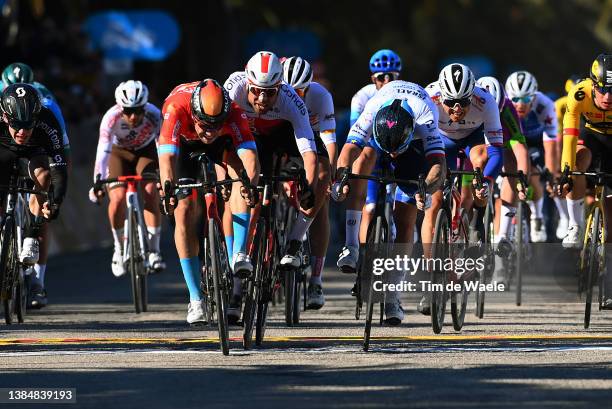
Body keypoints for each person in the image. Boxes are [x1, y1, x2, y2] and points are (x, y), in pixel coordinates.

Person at [333, 80, 446, 324]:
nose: (393, 155)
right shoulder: (372, 110)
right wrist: (341, 177)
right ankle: (351, 246)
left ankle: (393, 295)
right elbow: (347, 150)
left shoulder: (425, 117)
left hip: (413, 148)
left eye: (396, 150)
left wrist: (425, 188)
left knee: (405, 220)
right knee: (361, 160)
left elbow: (438, 166)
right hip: (378, 139)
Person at [224, 51, 318, 323]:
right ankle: (237, 284)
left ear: (281, 87)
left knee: (318, 174)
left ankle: (291, 240)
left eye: (271, 93)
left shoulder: (290, 100)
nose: (263, 99)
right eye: (256, 92)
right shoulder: (233, 89)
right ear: (248, 84)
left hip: (280, 135)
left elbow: (309, 152)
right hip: (245, 137)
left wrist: (310, 186)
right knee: (239, 193)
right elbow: (222, 142)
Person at [158, 78, 259, 324]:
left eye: (216, 124)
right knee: (183, 211)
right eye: (205, 124)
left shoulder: (233, 112)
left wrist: (250, 185)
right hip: (183, 145)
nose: (210, 131)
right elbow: (167, 159)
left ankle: (238, 254)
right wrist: (167, 191)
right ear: (194, 112)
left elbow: (250, 156)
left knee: (241, 177)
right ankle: (195, 299)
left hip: (222, 147)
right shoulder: (176, 108)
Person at [1, 62, 70, 308]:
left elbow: (60, 164)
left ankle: (31, 237)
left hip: (37, 153)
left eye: (28, 125)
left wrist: (56, 200)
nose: (22, 130)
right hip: (4, 151)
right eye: (16, 125)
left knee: (43, 175)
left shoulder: (47, 112)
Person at [88, 80, 165, 277]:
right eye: (128, 111)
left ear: (145, 106)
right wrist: (97, 180)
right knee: (118, 198)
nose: (133, 116)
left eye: (138, 110)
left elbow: (162, 149)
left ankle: (154, 251)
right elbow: (103, 151)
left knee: (150, 192)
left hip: (145, 152)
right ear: (120, 108)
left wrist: (163, 178)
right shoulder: (111, 118)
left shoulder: (155, 115)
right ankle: (119, 247)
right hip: (118, 153)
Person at [337, 49, 403, 272]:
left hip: (397, 149)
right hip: (371, 147)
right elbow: (359, 136)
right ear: (372, 79)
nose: (385, 81)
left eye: (390, 76)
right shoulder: (362, 97)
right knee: (370, 206)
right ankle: (359, 255)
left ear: (398, 77)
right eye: (380, 77)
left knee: (398, 208)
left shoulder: (404, 94)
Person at [282, 56, 337, 309]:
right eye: (291, 90)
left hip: (311, 138)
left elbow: (329, 141)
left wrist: (331, 175)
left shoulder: (320, 96)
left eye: (301, 91)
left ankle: (315, 279)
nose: (296, 95)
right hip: (282, 135)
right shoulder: (275, 94)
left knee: (321, 194)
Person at [558, 53, 612, 309]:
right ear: (593, 84)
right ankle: (576, 225)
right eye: (602, 90)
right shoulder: (579, 93)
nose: (607, 97)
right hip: (591, 139)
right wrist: (566, 171)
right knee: (579, 162)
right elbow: (569, 135)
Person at [476, 76, 530, 284]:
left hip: (503, 143)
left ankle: (502, 237)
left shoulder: (508, 108)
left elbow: (520, 149)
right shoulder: (472, 104)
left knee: (512, 167)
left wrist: (521, 180)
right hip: (478, 142)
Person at [505, 70, 557, 243]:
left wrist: (550, 173)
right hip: (512, 142)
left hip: (536, 143)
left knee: (533, 172)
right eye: (515, 99)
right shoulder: (502, 105)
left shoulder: (545, 105)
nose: (520, 104)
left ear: (534, 98)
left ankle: (537, 215)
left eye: (526, 99)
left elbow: (551, 144)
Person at [553, 75, 582, 239]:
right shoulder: (560, 105)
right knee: (559, 177)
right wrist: (559, 166)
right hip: (563, 137)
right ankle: (565, 217)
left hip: (582, 135)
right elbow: (558, 139)